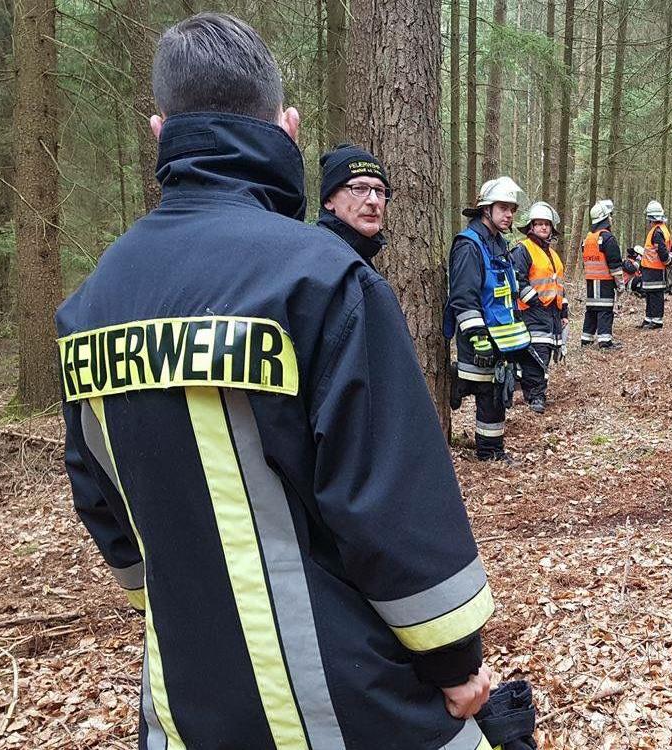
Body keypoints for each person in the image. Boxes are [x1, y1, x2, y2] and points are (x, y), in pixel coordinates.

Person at [54, 13, 495, 750]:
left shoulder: (90, 306)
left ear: (162, 131)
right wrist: (457, 663)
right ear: (287, 129)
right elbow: (392, 499)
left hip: (182, 706)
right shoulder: (323, 280)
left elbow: (103, 504)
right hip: (346, 706)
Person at [445, 176, 532, 461]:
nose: (509, 214)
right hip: (479, 340)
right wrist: (478, 337)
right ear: (486, 209)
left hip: (501, 341)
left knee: (496, 395)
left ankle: (492, 451)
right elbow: (463, 296)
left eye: (512, 209)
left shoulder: (499, 244)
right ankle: (454, 384)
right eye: (503, 208)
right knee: (486, 391)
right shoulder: (469, 245)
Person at [511, 201, 567, 414]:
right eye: (539, 224)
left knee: (545, 352)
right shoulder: (523, 249)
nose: (544, 227)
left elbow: (558, 284)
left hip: (551, 313)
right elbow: (518, 280)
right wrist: (534, 301)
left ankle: (536, 392)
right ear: (531, 226)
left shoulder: (553, 255)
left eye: (547, 224)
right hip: (531, 312)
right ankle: (535, 396)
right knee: (536, 353)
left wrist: (564, 311)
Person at [318, 143, 390, 268]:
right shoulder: (322, 262)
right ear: (328, 200)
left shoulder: (358, 258)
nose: (374, 201)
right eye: (359, 188)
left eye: (379, 191)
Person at [581, 199, 624, 349]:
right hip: (604, 282)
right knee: (605, 310)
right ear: (605, 218)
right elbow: (615, 265)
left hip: (590, 282)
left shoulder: (587, 239)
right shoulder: (608, 239)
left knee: (591, 311)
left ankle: (586, 339)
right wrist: (620, 284)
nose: (611, 219)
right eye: (609, 216)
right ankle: (605, 342)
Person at [640, 200, 672, 329]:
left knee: (655, 295)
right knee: (650, 294)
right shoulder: (659, 230)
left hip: (655, 269)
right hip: (650, 268)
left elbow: (662, 251)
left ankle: (657, 320)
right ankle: (649, 318)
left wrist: (667, 262)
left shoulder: (658, 231)